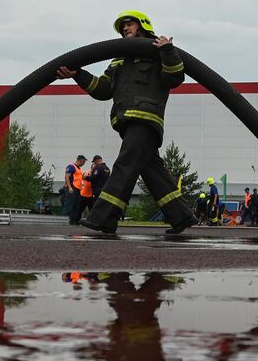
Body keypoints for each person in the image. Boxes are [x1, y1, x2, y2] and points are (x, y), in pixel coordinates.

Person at [56, 12, 197, 235]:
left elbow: (175, 78)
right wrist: (78, 74)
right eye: (122, 26)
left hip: (145, 120)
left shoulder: (157, 52)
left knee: (125, 165)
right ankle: (181, 216)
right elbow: (103, 90)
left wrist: (168, 50)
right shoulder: (119, 60)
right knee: (152, 171)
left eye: (129, 24)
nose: (124, 29)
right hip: (126, 122)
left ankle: (103, 217)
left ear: (142, 25)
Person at [63, 154, 88, 225]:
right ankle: (66, 221)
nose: (84, 163)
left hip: (77, 189)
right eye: (84, 162)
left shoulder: (79, 168)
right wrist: (70, 187)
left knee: (76, 206)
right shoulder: (71, 166)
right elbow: (67, 177)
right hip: (72, 188)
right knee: (69, 205)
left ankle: (73, 222)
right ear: (81, 160)